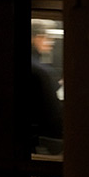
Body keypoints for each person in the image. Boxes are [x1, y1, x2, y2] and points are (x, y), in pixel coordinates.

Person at [31, 19, 63, 155]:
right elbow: (53, 113)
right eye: (44, 36)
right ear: (33, 38)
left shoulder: (41, 69)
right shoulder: (42, 71)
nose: (49, 41)